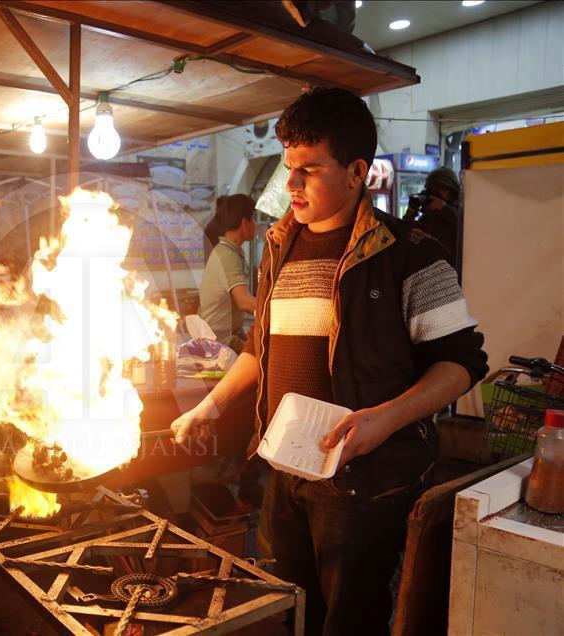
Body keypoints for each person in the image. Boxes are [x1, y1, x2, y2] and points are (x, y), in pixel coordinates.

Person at [172, 87, 488, 636]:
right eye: (289, 167)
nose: (290, 184)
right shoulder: (278, 247)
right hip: (284, 470)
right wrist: (211, 405)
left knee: (349, 620)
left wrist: (385, 418)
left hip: (363, 484)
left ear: (356, 170)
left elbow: (461, 362)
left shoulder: (410, 253)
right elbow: (259, 347)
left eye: (309, 170)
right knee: (294, 611)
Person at [198, 194, 258, 350]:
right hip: (219, 342)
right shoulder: (227, 255)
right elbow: (244, 301)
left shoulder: (227, 250)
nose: (256, 224)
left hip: (224, 335)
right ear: (245, 223)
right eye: (254, 219)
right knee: (262, 363)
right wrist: (280, 311)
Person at [404, 166, 461, 267]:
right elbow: (404, 236)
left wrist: (444, 209)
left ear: (453, 191)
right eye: (433, 188)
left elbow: (465, 231)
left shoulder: (462, 212)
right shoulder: (427, 219)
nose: (436, 193)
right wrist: (411, 213)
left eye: (442, 189)